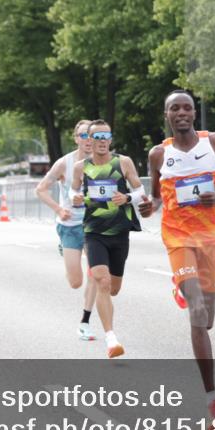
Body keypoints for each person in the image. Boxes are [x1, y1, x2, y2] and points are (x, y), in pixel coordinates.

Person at [140, 90, 215, 429]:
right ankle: (213, 400)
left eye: (187, 107)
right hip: (177, 238)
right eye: (175, 108)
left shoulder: (214, 142)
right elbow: (158, 198)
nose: (182, 112)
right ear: (167, 114)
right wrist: (149, 206)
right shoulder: (158, 154)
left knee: (208, 319)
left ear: (194, 113)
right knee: (198, 314)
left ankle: (186, 288)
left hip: (210, 237)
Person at [70, 120, 147, 359]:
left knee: (113, 288)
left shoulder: (122, 162)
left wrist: (128, 198)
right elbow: (73, 190)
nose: (102, 141)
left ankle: (109, 326)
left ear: (111, 139)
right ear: (89, 141)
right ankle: (111, 338)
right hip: (94, 232)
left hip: (119, 232)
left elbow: (141, 191)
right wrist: (75, 198)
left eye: (106, 136)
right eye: (97, 136)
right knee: (101, 281)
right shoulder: (81, 167)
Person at [36, 120, 98, 341]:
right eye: (83, 135)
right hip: (70, 226)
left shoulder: (104, 161)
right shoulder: (64, 163)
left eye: (91, 135)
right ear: (76, 138)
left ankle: (85, 322)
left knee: (96, 273)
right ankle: (65, 249)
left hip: (94, 225)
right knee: (75, 282)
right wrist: (59, 209)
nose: (88, 140)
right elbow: (41, 189)